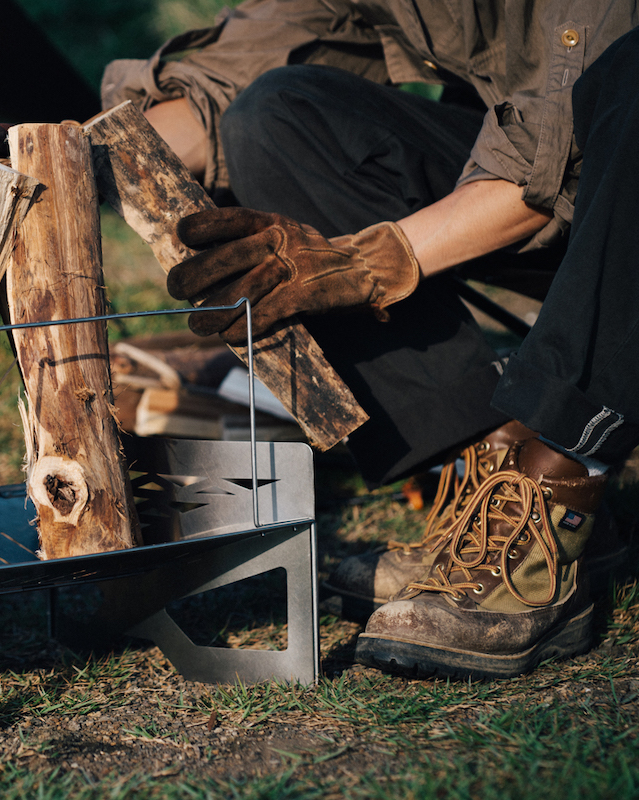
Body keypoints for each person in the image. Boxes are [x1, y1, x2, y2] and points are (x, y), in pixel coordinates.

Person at [102, 1, 639, 678]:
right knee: (276, 114)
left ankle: (555, 497)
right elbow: (247, 58)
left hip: (610, 180)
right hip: (551, 175)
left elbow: (551, 162)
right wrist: (78, 154)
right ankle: (498, 493)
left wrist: (366, 262)